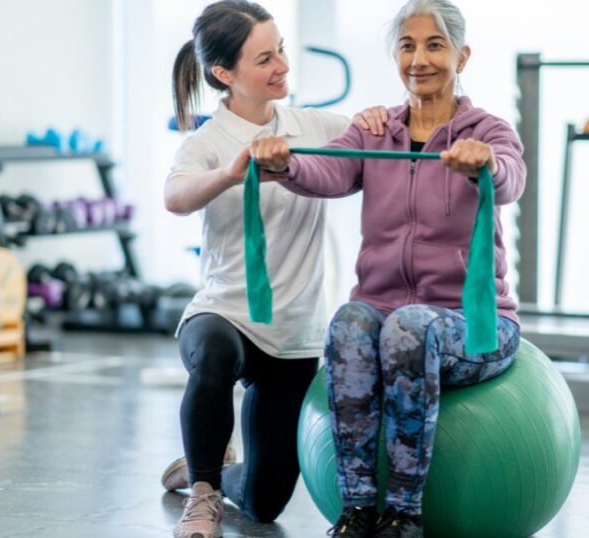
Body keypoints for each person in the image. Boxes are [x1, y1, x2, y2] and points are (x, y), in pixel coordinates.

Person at [249, 1, 526, 536]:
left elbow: (513, 177)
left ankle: (403, 515)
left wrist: (485, 163)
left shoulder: (487, 131)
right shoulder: (374, 131)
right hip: (386, 317)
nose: (419, 58)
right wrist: (284, 162)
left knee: (407, 329)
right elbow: (325, 167)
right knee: (352, 321)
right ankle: (356, 510)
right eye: (407, 46)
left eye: (434, 45)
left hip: (474, 327)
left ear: (462, 55)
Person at [162, 2, 385, 537]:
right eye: (265, 58)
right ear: (225, 74)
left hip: (292, 334)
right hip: (225, 314)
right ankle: (202, 493)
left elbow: (377, 139)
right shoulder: (206, 143)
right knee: (213, 355)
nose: (283, 64)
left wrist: (379, 119)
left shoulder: (313, 126)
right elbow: (174, 196)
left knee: (264, 504)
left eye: (281, 49)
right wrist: (229, 174)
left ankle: (204, 470)